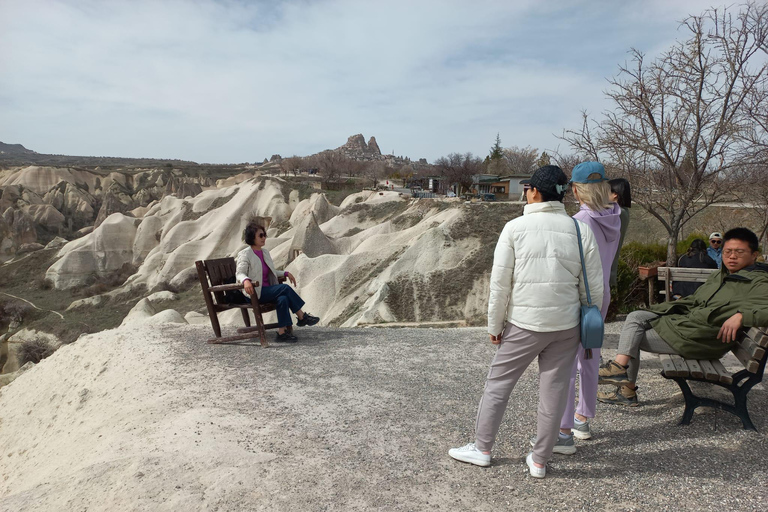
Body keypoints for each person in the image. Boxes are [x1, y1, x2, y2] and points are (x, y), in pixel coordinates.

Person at [448, 165, 603, 478]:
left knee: (498, 384)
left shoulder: (515, 228)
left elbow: (500, 285)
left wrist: (495, 326)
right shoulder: (579, 230)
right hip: (566, 326)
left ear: (535, 191)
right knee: (554, 392)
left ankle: (482, 448)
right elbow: (593, 289)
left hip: (524, 323)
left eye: (528, 187)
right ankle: (540, 460)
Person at [598, 228, 768, 406]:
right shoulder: (721, 276)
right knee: (636, 317)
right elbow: (695, 300)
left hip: (701, 341)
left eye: (739, 252)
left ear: (754, 255)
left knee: (632, 337)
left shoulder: (757, 282)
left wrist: (742, 316)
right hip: (688, 330)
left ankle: (623, 382)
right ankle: (621, 374)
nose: (732, 256)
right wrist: (662, 310)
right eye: (727, 251)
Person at [558, 162, 621, 447]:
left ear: (576, 189)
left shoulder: (579, 221)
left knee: (567, 360)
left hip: (579, 296)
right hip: (601, 294)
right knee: (590, 355)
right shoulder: (615, 216)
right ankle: (583, 417)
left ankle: (564, 428)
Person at [236, 222, 319, 342]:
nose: (264, 238)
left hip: (268, 291)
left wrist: (285, 273)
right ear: (251, 237)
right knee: (284, 288)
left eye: (264, 235)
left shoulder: (264, 252)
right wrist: (246, 281)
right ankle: (301, 316)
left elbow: (270, 271)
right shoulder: (245, 254)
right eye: (260, 235)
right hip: (254, 293)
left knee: (283, 299)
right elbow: (239, 273)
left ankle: (282, 333)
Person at [608, 178, 632, 289]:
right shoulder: (622, 211)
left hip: (608, 269)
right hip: (609, 268)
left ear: (615, 195)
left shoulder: (619, 213)